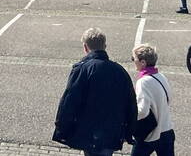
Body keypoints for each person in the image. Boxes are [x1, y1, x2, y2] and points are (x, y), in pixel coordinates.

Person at [53, 28, 137, 156]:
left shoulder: (82, 69)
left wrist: (62, 128)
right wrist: (129, 131)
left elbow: (69, 102)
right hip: (112, 132)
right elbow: (131, 104)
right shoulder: (120, 71)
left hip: (90, 133)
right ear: (105, 46)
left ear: (85, 47)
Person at [129, 44, 174, 156]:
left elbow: (142, 111)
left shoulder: (143, 82)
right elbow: (169, 98)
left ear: (143, 62)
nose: (133, 61)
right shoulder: (161, 76)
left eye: (134, 58)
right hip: (167, 129)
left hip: (151, 134)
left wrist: (129, 119)